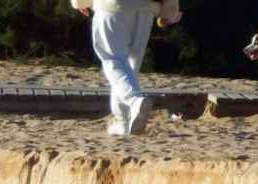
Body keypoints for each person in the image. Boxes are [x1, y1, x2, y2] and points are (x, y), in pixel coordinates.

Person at [71, 0, 182, 136]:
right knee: (129, 67)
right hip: (146, 9)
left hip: (111, 5)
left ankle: (133, 100)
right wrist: (169, 12)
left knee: (113, 59)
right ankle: (123, 121)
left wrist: (80, 2)